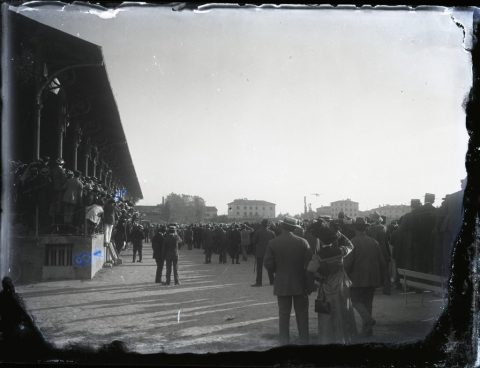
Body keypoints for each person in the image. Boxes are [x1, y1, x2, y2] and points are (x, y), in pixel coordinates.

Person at [264, 216, 313, 345]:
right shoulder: (303, 242)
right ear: (294, 228)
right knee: (302, 315)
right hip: (300, 283)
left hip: (282, 283)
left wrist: (277, 270)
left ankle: (284, 342)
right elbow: (310, 266)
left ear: (282, 226)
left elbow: (268, 264)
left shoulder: (273, 243)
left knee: (284, 315)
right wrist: (310, 285)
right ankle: (304, 341)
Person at [307, 218, 356, 344]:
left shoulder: (318, 256)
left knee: (326, 317)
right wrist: (339, 235)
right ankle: (343, 340)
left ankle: (326, 341)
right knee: (342, 315)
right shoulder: (340, 251)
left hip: (326, 290)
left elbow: (310, 271)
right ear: (333, 240)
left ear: (321, 241)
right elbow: (351, 245)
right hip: (341, 288)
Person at [344, 217, 387, 338]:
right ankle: (367, 331)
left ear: (354, 228)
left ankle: (368, 319)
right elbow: (382, 262)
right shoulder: (374, 242)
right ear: (365, 228)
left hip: (357, 278)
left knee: (355, 300)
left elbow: (347, 264)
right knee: (368, 304)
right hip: (373, 278)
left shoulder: (352, 242)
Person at [0, 277, 48, 357]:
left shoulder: (5, 296)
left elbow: (24, 313)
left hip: (9, 326)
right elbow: (25, 313)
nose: (11, 287)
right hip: (13, 326)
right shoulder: (13, 297)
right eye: (9, 285)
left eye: (10, 285)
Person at [367, 211, 391, 295]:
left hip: (375, 251)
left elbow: (371, 241)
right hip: (384, 251)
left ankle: (375, 286)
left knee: (374, 269)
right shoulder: (384, 228)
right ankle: (387, 289)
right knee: (385, 270)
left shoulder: (370, 229)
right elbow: (388, 240)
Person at [251, 219, 275, 287]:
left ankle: (259, 282)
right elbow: (274, 242)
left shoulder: (258, 232)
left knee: (259, 268)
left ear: (261, 224)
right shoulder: (272, 232)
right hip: (269, 252)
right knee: (269, 267)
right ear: (267, 225)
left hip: (260, 252)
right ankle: (272, 281)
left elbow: (253, 241)